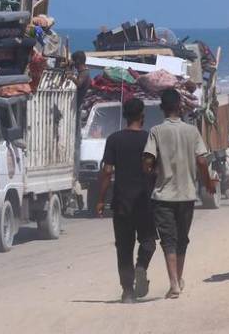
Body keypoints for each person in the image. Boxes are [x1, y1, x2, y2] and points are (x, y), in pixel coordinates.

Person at [143, 89, 215, 299]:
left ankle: (174, 283)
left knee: (168, 240)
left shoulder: (156, 131)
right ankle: (179, 279)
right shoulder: (192, 131)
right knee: (182, 239)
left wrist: (152, 170)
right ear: (180, 107)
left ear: (162, 108)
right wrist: (208, 182)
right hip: (187, 195)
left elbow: (148, 162)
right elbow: (202, 161)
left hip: (163, 196)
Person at [96, 98, 156, 303]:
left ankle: (127, 292)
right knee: (148, 242)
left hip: (121, 201)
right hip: (145, 201)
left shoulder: (114, 139)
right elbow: (157, 169)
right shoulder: (150, 139)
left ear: (124, 116)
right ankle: (141, 267)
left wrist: (101, 199)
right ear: (142, 115)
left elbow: (107, 171)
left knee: (124, 247)